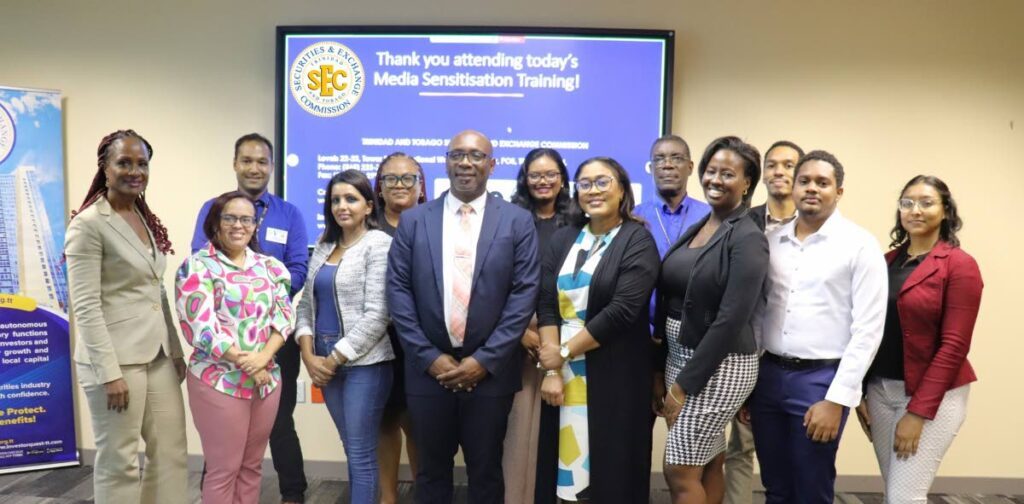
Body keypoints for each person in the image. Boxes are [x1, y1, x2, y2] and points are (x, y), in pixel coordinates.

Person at [386, 130, 540, 503]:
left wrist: (483, 361)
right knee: (430, 474)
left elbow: (523, 294)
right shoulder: (415, 220)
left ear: (492, 164)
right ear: (446, 162)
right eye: (457, 155)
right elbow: (399, 293)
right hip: (427, 373)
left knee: (486, 473)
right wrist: (429, 358)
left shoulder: (518, 221)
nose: (465, 163)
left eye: (475, 155)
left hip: (491, 374)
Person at [749, 151, 887, 503]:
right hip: (769, 376)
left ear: (838, 192)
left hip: (820, 381)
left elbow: (868, 330)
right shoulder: (773, 241)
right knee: (775, 486)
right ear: (793, 188)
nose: (812, 188)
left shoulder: (860, 245)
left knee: (811, 488)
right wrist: (751, 385)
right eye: (804, 181)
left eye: (822, 183)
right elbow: (760, 313)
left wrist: (837, 400)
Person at [65, 129, 187, 504]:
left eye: (142, 163)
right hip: (115, 362)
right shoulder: (88, 225)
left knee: (170, 453)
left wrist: (176, 349)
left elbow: (157, 290)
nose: (135, 171)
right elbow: (85, 306)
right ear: (105, 167)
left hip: (158, 355)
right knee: (119, 461)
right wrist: (109, 372)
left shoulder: (142, 216)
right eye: (124, 162)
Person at [190, 133, 308, 503]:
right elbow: (201, 272)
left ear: (272, 166)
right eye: (247, 160)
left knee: (276, 428)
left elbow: (297, 269)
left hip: (272, 344)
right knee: (224, 453)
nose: (254, 167)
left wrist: (265, 336)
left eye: (262, 161)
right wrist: (245, 352)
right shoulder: (211, 212)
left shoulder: (288, 215)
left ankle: (293, 493)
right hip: (222, 353)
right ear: (235, 164)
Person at [535, 157, 661, 504]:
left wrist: (561, 354)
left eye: (603, 182)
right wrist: (551, 369)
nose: (593, 190)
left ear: (622, 189)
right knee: (564, 465)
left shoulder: (637, 240)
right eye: (585, 183)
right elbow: (546, 302)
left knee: (612, 471)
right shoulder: (563, 239)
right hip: (562, 372)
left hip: (615, 371)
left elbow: (621, 312)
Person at [854, 175, 982, 502]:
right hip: (881, 391)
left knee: (904, 497)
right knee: (895, 492)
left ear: (945, 212)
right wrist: (861, 391)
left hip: (932, 397)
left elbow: (955, 346)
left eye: (927, 203)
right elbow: (868, 328)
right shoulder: (884, 263)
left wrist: (918, 413)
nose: (916, 210)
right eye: (907, 202)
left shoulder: (960, 266)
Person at [656, 137, 768, 504]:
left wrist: (684, 385)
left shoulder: (748, 237)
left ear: (747, 183)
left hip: (720, 366)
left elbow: (731, 318)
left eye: (728, 173)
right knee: (708, 462)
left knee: (678, 469)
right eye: (711, 170)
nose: (715, 179)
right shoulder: (705, 224)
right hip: (682, 358)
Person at [176, 191, 293, 503]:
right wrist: (248, 363)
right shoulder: (197, 267)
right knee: (223, 468)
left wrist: (264, 358)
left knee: (252, 466)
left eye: (246, 219)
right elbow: (199, 326)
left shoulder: (270, 267)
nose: (238, 225)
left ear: (255, 226)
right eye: (230, 218)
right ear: (215, 223)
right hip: (219, 381)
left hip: (266, 382)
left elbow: (283, 317)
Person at [295, 170, 394, 503]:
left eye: (351, 199)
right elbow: (306, 306)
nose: (342, 206)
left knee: (361, 452)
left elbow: (378, 314)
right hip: (323, 363)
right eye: (335, 200)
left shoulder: (379, 244)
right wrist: (309, 357)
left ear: (368, 206)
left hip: (365, 365)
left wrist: (334, 358)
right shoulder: (324, 246)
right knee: (352, 448)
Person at [726, 139, 803, 504]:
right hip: (748, 350)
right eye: (772, 164)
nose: (780, 172)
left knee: (794, 453)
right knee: (741, 447)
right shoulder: (743, 221)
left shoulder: (816, 225)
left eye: (789, 165)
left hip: (798, 357)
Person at [506, 148, 572, 503]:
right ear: (524, 179)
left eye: (550, 174)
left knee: (560, 429)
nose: (543, 181)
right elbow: (495, 282)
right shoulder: (509, 219)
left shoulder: (580, 221)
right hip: (518, 337)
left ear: (562, 178)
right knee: (521, 432)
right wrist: (521, 332)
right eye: (535, 175)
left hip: (571, 338)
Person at [373, 152, 428, 504]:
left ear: (421, 186)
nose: (399, 185)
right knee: (384, 423)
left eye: (408, 178)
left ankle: (426, 494)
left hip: (423, 342)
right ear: (378, 188)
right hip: (377, 341)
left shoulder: (434, 223)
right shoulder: (365, 226)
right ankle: (388, 498)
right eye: (390, 179)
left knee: (419, 425)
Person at [634, 135, 712, 257]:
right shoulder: (635, 216)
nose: (667, 165)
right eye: (659, 159)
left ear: (690, 167)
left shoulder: (709, 216)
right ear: (651, 168)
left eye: (677, 158)